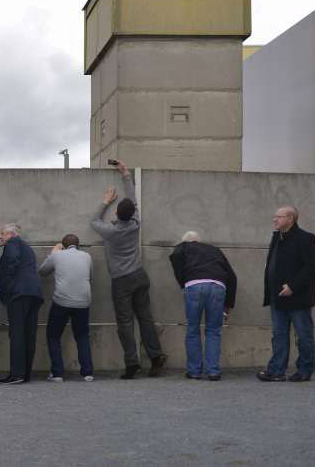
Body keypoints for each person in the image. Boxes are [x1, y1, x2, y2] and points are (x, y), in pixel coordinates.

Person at [89, 159, 167, 379]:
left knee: (125, 323)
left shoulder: (110, 231)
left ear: (116, 213)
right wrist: (126, 174)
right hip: (139, 275)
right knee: (145, 318)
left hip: (121, 281)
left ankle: (132, 363)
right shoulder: (135, 223)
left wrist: (104, 202)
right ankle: (156, 357)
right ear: (132, 213)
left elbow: (93, 221)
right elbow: (133, 199)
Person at [257, 206, 315, 383]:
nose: (274, 219)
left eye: (279, 216)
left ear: (291, 219)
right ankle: (276, 370)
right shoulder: (277, 238)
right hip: (277, 297)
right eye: (274, 216)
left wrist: (293, 286)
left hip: (298, 298)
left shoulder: (306, 238)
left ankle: (305, 370)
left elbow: (312, 266)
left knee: (303, 335)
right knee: (279, 335)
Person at [169, 231, 237, 381]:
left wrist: (183, 284)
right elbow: (232, 277)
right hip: (218, 286)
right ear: (199, 241)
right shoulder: (214, 250)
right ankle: (213, 371)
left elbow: (175, 257)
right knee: (214, 331)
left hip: (194, 285)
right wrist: (228, 304)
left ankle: (194, 371)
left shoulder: (184, 247)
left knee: (193, 329)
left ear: (186, 241)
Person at [38, 233, 94, 382]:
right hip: (83, 301)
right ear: (78, 245)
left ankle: (57, 373)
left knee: (53, 336)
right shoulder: (87, 256)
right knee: (82, 336)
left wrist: (53, 252)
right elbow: (90, 277)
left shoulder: (57, 255)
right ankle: (87, 372)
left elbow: (42, 271)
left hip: (61, 301)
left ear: (63, 245)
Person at [0, 223, 43, 384]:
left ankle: (16, 374)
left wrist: (7, 288)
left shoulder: (13, 243)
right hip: (34, 293)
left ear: (11, 234)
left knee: (17, 333)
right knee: (29, 334)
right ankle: (25, 373)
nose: (0, 237)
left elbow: (10, 263)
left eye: (2, 233)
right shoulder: (27, 247)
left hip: (19, 294)